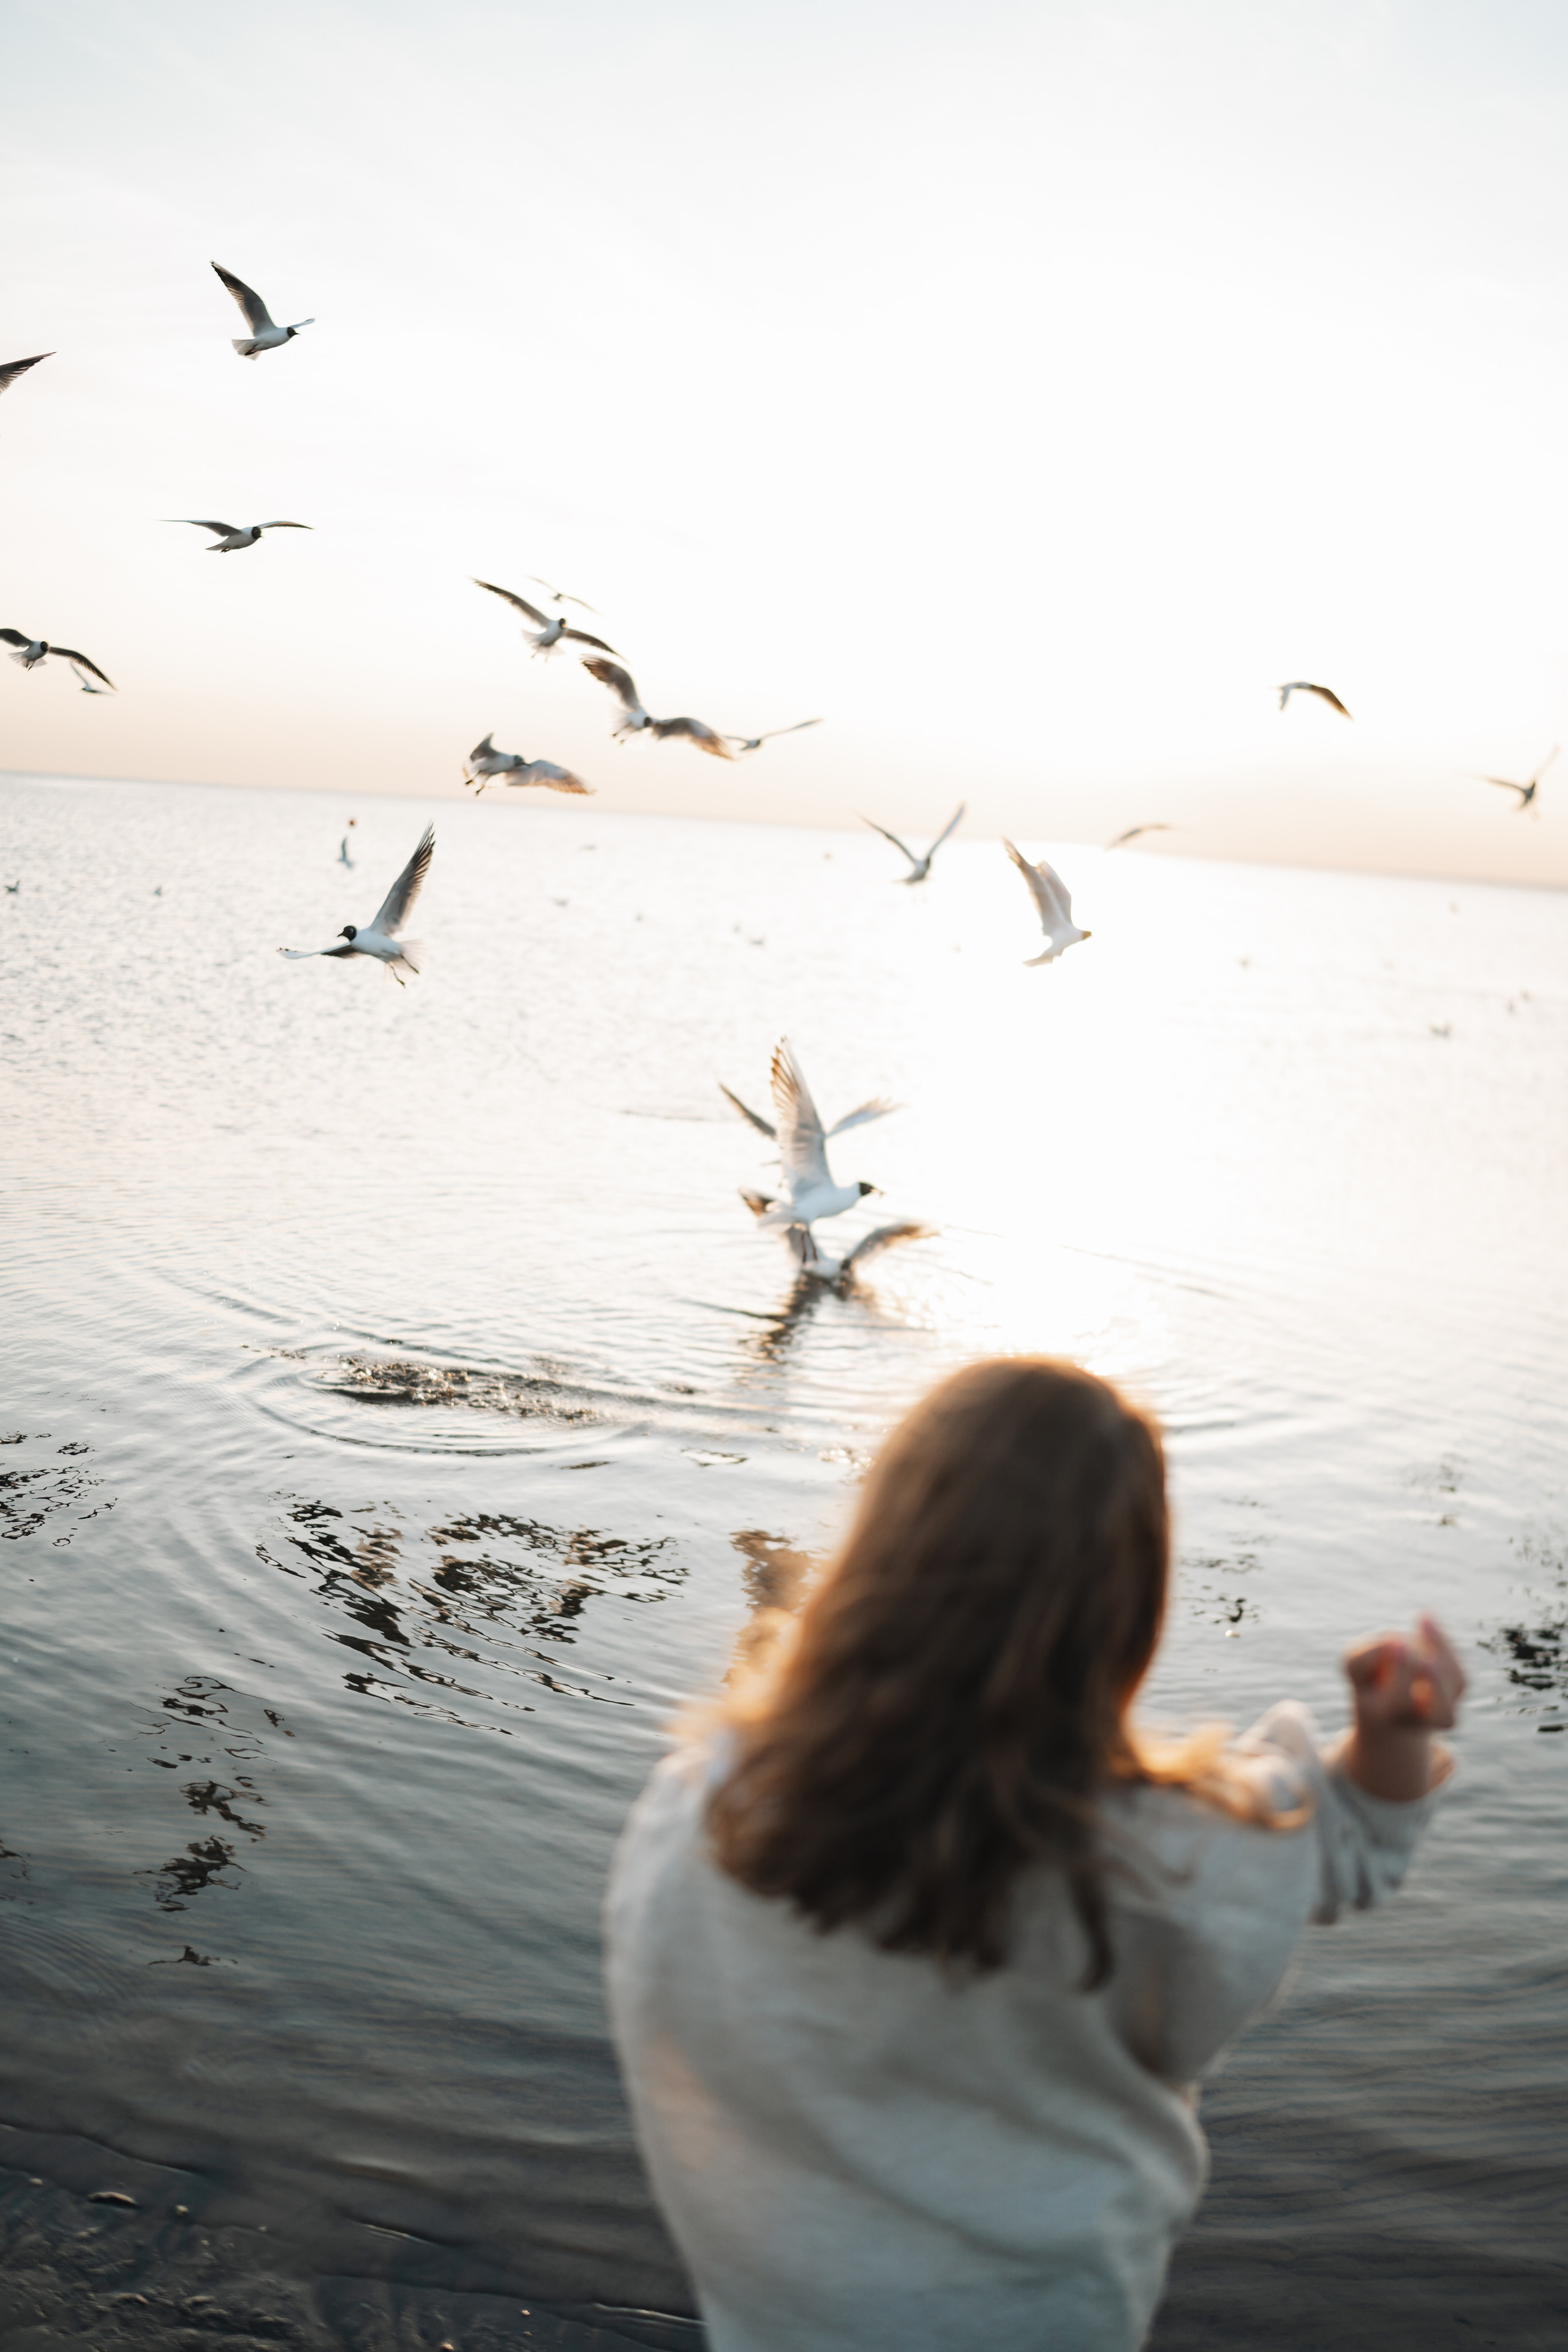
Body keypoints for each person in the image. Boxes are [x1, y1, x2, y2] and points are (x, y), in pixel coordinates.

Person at [603, 1357, 1464, 2352]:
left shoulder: (715, 1805)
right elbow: (1342, 1847)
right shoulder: (1159, 1858)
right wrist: (1391, 1735)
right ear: (1128, 1599)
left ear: (880, 1538)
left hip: (782, 2314)